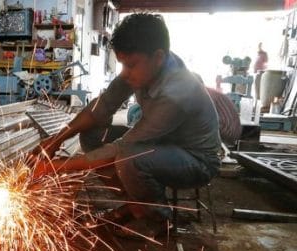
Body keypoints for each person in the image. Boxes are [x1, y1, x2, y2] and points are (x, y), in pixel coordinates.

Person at [31, 12, 221, 237]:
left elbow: (122, 149)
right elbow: (100, 108)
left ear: (158, 57)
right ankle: (137, 203)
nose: (125, 73)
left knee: (129, 158)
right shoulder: (148, 64)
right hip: (160, 144)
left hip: (197, 160)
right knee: (93, 136)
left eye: (130, 65)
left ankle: (157, 220)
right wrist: (56, 140)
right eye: (122, 64)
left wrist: (55, 167)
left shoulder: (176, 93)